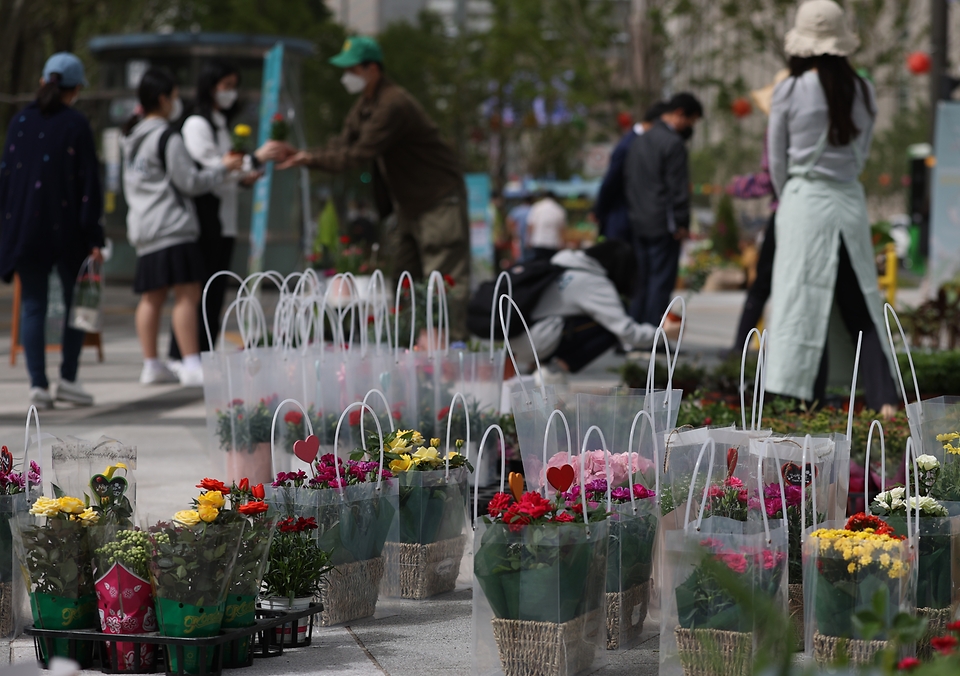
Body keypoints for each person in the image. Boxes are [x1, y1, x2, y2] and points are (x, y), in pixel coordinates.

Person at [261, 36, 470, 340]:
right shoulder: (366, 105)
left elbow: (359, 153)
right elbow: (342, 145)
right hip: (409, 206)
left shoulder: (393, 104)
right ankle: (411, 352)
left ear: (373, 68)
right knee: (405, 283)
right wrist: (304, 156)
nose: (347, 77)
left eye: (352, 69)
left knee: (444, 282)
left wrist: (308, 158)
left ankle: (451, 352)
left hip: (438, 202)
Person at [766, 0, 897, 415]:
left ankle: (809, 400)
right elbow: (861, 155)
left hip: (806, 201)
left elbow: (777, 157)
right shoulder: (862, 88)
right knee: (860, 299)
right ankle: (885, 400)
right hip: (848, 200)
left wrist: (794, 193)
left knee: (805, 301)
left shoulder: (789, 88)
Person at [121, 67, 243, 386]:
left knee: (151, 297)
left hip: (145, 226)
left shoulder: (131, 138)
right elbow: (189, 182)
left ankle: (151, 363)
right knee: (188, 293)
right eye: (174, 96)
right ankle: (190, 363)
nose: (177, 103)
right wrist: (223, 169)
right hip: (173, 225)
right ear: (162, 99)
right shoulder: (167, 136)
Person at [0, 52, 104, 409]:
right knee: (77, 306)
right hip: (68, 231)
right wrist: (94, 236)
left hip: (25, 229)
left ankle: (38, 386)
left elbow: (6, 179)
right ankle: (69, 378)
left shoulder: (19, 121)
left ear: (44, 81)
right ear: (74, 89)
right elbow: (89, 183)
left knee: (33, 306)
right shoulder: (76, 124)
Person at [167, 60, 265, 369]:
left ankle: (202, 353)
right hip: (205, 220)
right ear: (210, 87)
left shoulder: (221, 124)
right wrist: (251, 160)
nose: (230, 93)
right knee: (198, 291)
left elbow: (226, 169)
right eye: (225, 86)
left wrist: (244, 174)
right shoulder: (197, 124)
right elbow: (210, 169)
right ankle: (183, 355)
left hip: (224, 219)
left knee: (214, 292)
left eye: (234, 86)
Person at [508, 241, 674, 375]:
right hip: (533, 344)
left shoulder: (564, 261)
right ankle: (552, 371)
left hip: (512, 340)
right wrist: (663, 334)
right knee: (609, 327)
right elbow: (627, 333)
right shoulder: (594, 283)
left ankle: (537, 365)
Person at [624, 92, 703, 326]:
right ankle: (653, 334)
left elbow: (629, 181)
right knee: (660, 281)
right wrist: (680, 223)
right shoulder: (673, 143)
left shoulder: (639, 140)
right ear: (680, 114)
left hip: (638, 221)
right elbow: (677, 188)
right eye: (691, 121)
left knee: (641, 280)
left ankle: (633, 331)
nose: (689, 127)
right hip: (663, 224)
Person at [728, 70, 788, 353]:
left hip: (786, 212)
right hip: (818, 212)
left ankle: (739, 349)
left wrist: (740, 186)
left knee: (762, 284)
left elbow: (772, 176)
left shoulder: (778, 128)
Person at [593, 102, 668, 243]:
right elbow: (611, 181)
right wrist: (599, 211)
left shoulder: (639, 141)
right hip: (623, 218)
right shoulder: (628, 144)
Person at [525, 191, 567, 261]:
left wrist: (528, 240)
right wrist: (562, 242)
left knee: (538, 265)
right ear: (555, 198)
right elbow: (562, 229)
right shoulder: (559, 209)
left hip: (538, 241)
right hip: (553, 243)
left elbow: (531, 225)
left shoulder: (537, 207)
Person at [506, 195, 533, 262]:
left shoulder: (517, 210)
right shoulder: (533, 210)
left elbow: (509, 221)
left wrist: (512, 233)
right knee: (530, 259)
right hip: (530, 239)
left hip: (518, 237)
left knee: (519, 259)